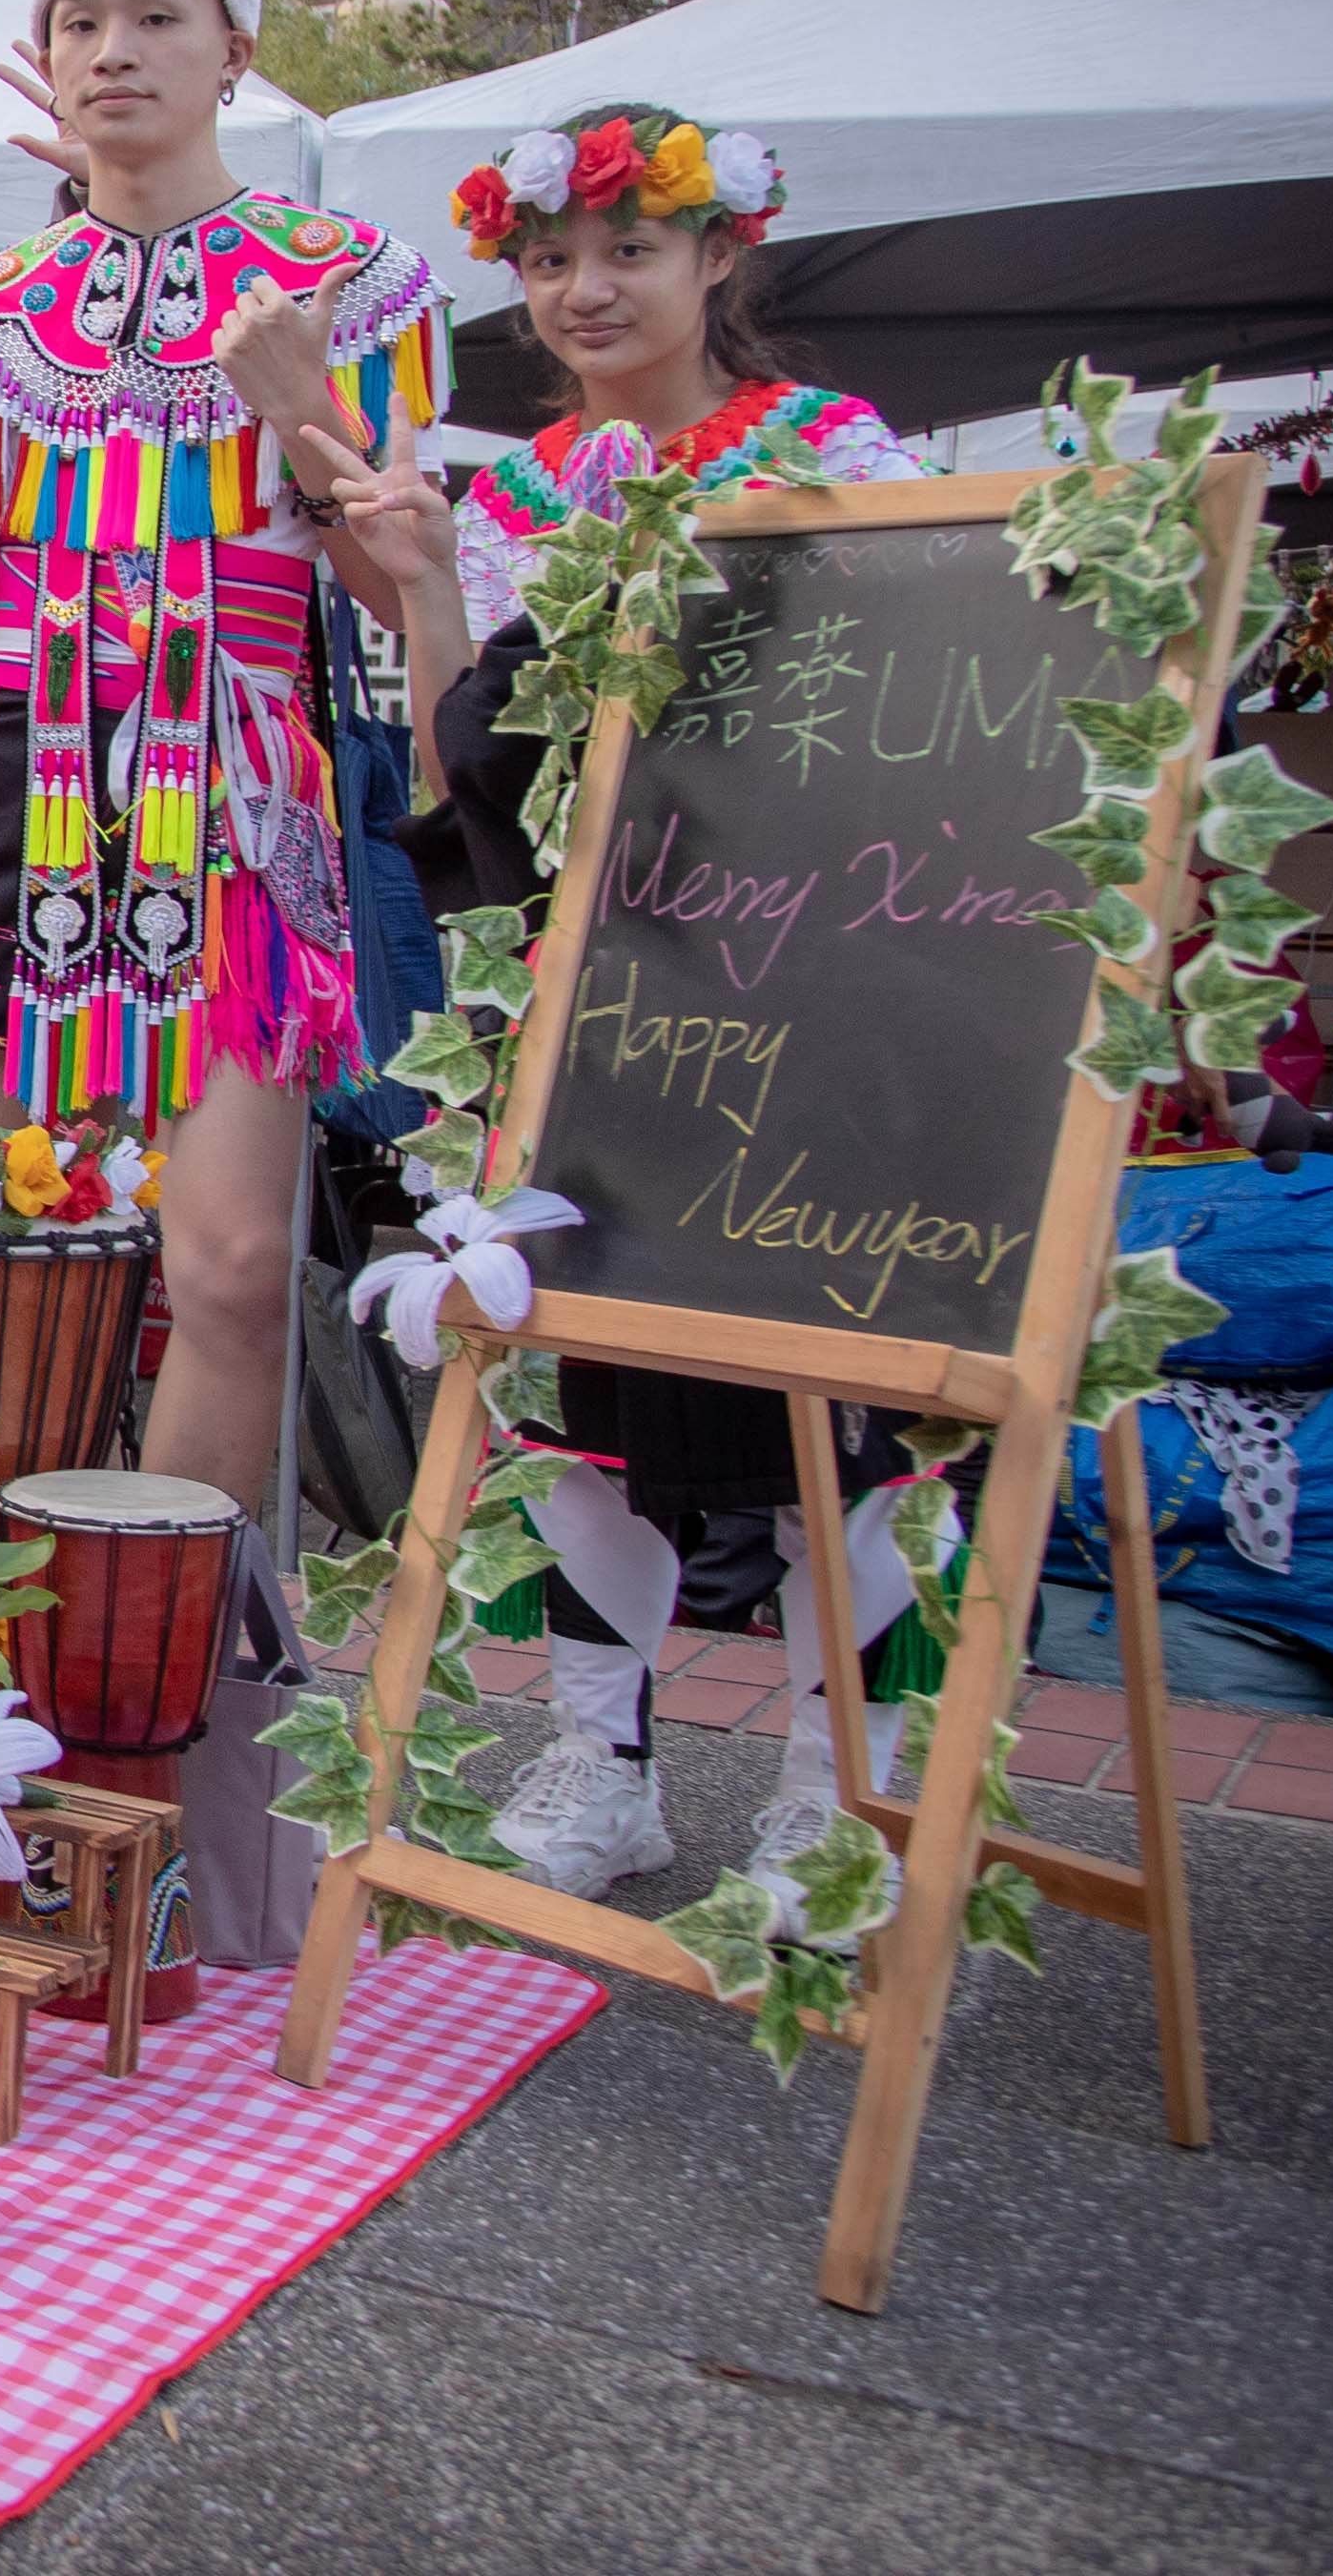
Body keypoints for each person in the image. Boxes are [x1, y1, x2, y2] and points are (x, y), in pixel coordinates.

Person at [0, 0, 453, 1530]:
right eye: (78, 21)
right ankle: (48, 1634)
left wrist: (304, 412)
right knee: (52, 1242)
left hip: (236, 771)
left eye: (154, 14)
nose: (111, 50)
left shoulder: (351, 279)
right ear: (40, 66)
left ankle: (169, 1640)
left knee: (238, 1259)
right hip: (20, 768)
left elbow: (403, 591)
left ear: (233, 50)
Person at [392, 105, 933, 1907]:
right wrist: (410, 588)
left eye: (625, 248)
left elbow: (909, 711)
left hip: (812, 993)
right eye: (546, 259)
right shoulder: (517, 495)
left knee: (822, 1410)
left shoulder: (832, 451)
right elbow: (454, 763)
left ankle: (825, 1795)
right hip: (583, 1004)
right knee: (573, 1399)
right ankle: (598, 1760)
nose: (582, 288)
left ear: (720, 256)